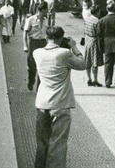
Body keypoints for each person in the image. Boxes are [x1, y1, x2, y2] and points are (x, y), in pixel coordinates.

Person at [33, 26, 85, 168]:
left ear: (46, 37)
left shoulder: (37, 53)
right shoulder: (65, 53)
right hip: (60, 104)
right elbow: (82, 64)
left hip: (42, 103)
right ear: (62, 38)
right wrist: (74, 47)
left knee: (42, 142)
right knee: (58, 144)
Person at [97, 1, 115, 89]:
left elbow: (99, 36)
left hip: (107, 45)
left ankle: (108, 82)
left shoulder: (101, 21)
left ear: (106, 9)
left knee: (108, 64)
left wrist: (100, 47)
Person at [23, 2, 48, 91]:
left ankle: (39, 87)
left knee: (42, 65)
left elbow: (47, 34)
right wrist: (25, 45)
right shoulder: (31, 19)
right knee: (32, 65)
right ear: (42, 10)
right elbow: (25, 32)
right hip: (33, 43)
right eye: (46, 10)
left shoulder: (46, 20)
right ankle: (31, 81)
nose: (47, 12)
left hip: (43, 43)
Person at [83, 5, 103, 86]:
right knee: (94, 62)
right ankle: (95, 80)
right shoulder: (97, 21)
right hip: (94, 41)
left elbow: (84, 30)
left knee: (88, 61)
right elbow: (98, 34)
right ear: (97, 12)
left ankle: (89, 79)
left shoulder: (87, 19)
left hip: (87, 40)